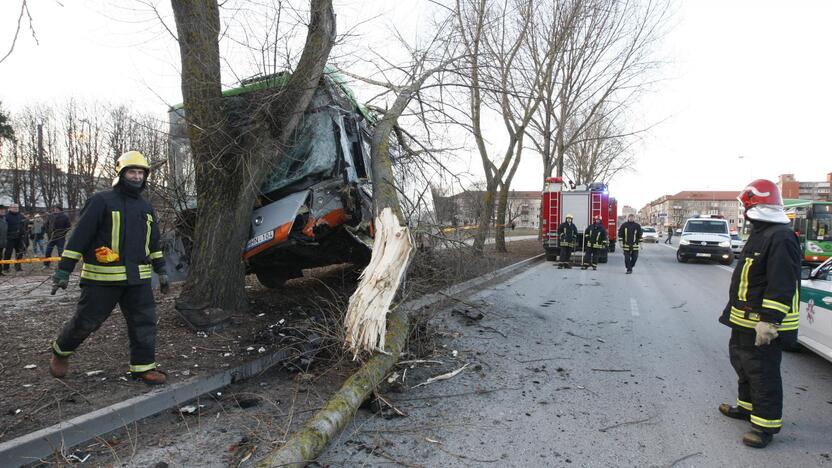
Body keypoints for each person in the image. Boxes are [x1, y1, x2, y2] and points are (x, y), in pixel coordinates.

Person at [49, 151, 170, 385]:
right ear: (121, 174)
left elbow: (154, 242)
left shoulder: (146, 207)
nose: (136, 177)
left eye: (140, 173)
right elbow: (79, 237)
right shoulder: (101, 200)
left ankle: (143, 368)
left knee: (143, 324)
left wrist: (162, 269)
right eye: (132, 172)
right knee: (86, 322)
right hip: (101, 280)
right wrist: (63, 270)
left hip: (138, 279)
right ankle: (61, 352)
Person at [718, 179, 800, 449]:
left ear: (756, 206)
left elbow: (782, 283)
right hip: (745, 319)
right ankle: (747, 407)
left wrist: (769, 321)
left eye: (746, 206)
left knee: (762, 373)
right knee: (742, 364)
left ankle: (765, 426)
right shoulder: (761, 233)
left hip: (763, 323)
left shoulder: (780, 237)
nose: (743, 211)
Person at [2, 203, 27, 273]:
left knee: (19, 253)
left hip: (19, 238)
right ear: (10, 208)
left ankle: (18, 267)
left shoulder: (21, 216)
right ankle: (5, 268)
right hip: (10, 238)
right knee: (8, 253)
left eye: (17, 207)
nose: (16, 208)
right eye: (14, 207)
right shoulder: (6, 216)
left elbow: (24, 225)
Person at [0, 205, 7, 276]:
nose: (2, 211)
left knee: (0, 257)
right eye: (1, 210)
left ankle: (0, 271)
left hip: (2, 242)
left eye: (3, 210)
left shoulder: (4, 219)